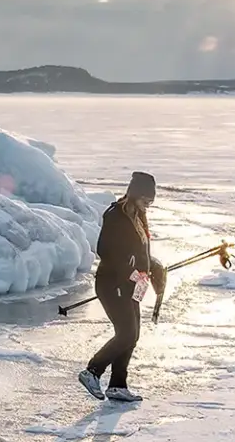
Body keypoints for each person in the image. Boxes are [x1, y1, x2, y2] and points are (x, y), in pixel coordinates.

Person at [78, 171, 166, 403]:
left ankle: (118, 385)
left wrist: (152, 267)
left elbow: (140, 251)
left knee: (132, 335)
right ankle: (92, 371)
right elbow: (105, 250)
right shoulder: (115, 215)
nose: (148, 204)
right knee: (126, 333)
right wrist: (130, 270)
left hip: (133, 285)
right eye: (146, 199)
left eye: (151, 201)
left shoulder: (138, 216)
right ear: (135, 193)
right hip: (112, 284)